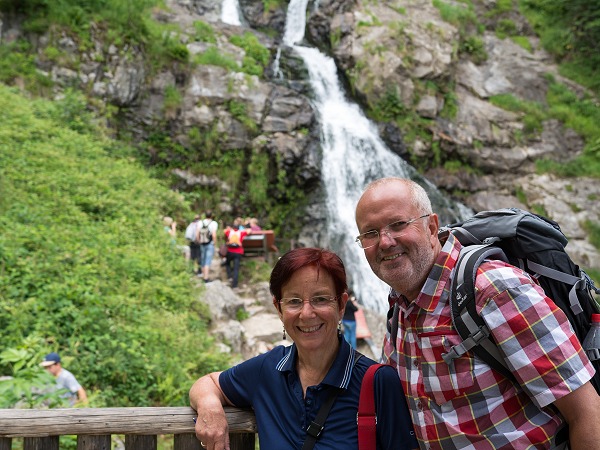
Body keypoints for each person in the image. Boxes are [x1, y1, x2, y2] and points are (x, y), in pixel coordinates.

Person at [354, 177, 600, 449]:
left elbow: (587, 413)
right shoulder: (399, 310)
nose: (386, 242)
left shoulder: (495, 289)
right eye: (370, 233)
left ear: (432, 226)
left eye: (398, 225)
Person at [189, 247, 417, 449]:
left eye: (320, 299)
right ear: (279, 309)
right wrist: (210, 407)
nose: (307, 313)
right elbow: (208, 384)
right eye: (294, 301)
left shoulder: (378, 382)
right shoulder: (267, 370)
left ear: (341, 305)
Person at [223, 218, 252, 289]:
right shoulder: (241, 233)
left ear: (232, 227)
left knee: (227, 263)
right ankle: (235, 285)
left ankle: (229, 276)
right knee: (236, 268)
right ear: (239, 228)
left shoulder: (229, 232)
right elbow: (249, 231)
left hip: (230, 251)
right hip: (238, 252)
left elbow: (224, 231)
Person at [198, 211, 218, 283]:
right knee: (207, 260)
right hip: (209, 244)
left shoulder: (200, 222)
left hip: (202, 243)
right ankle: (206, 278)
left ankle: (203, 276)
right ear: (211, 215)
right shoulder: (213, 223)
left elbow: (197, 233)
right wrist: (214, 243)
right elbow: (214, 235)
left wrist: (199, 241)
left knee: (203, 260)